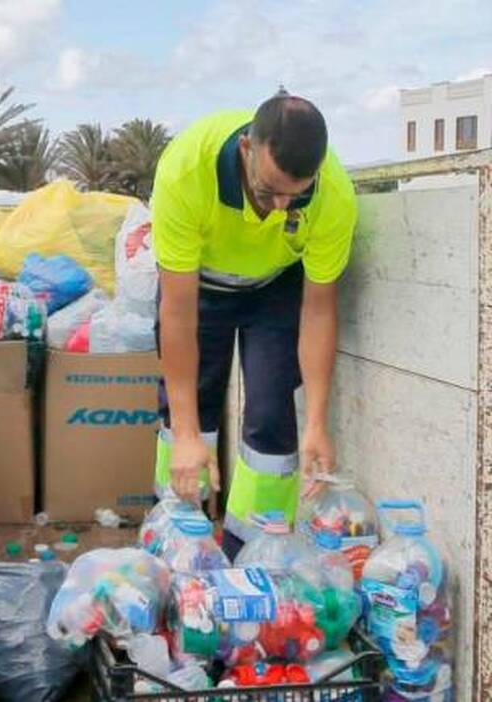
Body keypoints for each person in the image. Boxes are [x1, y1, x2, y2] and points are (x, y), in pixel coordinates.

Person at [150, 92, 357, 560]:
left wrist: (319, 423)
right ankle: (175, 546)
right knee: (190, 412)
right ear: (247, 148)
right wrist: (185, 433)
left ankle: (258, 553)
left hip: (274, 287)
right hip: (198, 286)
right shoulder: (187, 170)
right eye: (268, 191)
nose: (282, 207)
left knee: (270, 412)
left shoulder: (334, 196)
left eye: (296, 193)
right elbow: (178, 310)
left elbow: (320, 308)